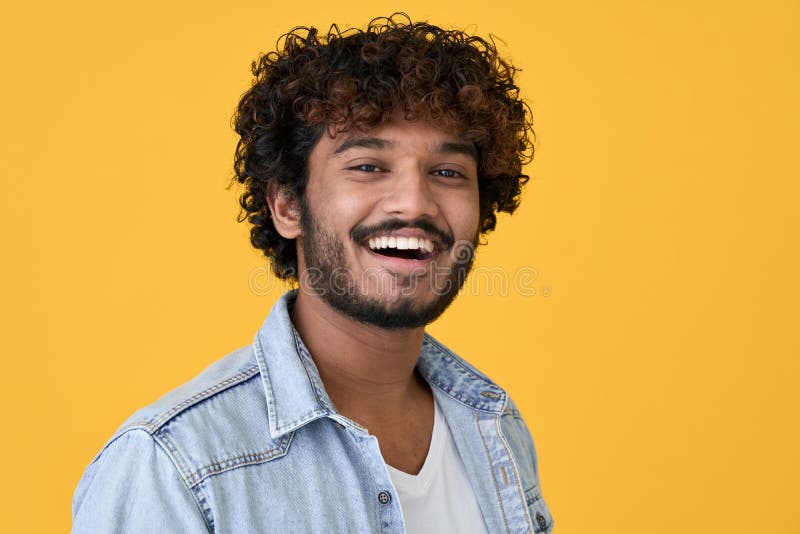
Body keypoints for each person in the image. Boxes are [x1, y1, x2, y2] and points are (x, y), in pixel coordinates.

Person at [72, 14, 554, 533]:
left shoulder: (493, 425)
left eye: (448, 172)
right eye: (368, 165)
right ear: (286, 206)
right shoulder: (173, 467)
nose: (415, 203)